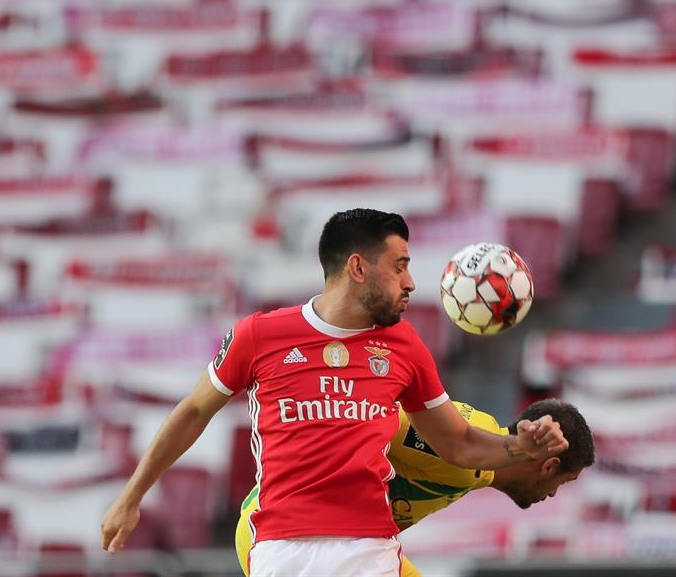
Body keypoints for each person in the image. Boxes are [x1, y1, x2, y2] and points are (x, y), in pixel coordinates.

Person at [101, 208, 568, 576]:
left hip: (369, 549)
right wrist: (131, 497)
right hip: (281, 551)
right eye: (399, 267)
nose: (410, 283)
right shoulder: (258, 335)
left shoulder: (404, 346)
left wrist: (519, 447)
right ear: (358, 268)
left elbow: (458, 443)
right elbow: (193, 412)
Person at [234, 398, 595, 577]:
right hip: (288, 534)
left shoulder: (477, 460)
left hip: (329, 542)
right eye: (563, 482)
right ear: (549, 466)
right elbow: (373, 416)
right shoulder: (466, 455)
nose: (552, 494)